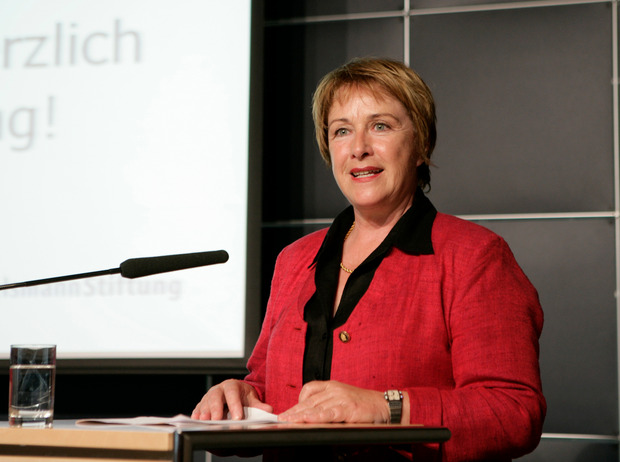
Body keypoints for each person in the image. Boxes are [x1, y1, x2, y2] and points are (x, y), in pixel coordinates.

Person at [192, 57, 546, 462]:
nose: (359, 148)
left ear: (420, 145)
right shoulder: (295, 260)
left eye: (380, 126)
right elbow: (270, 389)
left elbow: (513, 412)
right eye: (342, 131)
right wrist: (240, 397)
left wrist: (385, 408)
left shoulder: (473, 257)